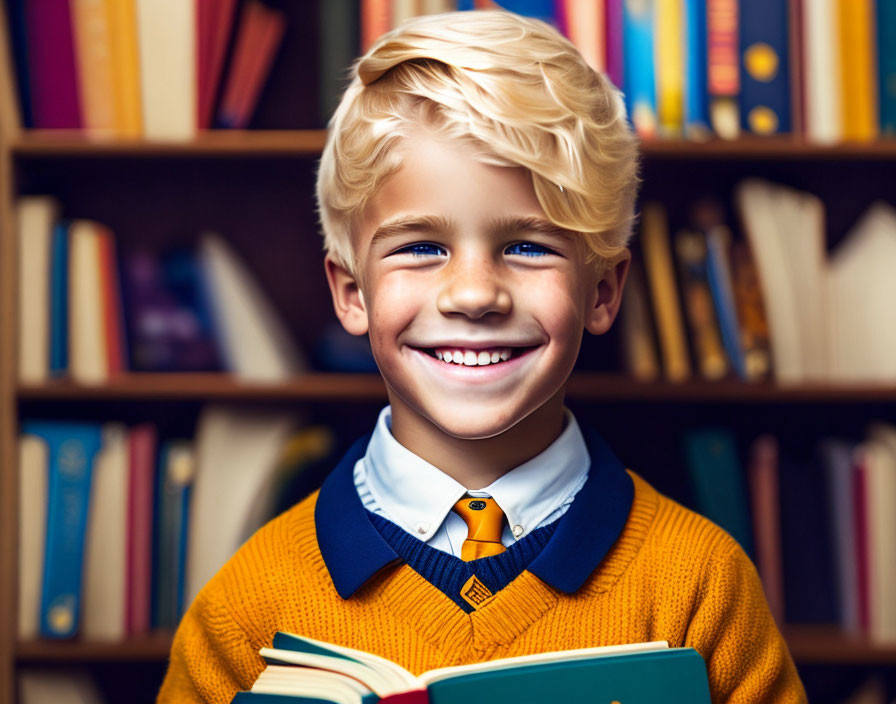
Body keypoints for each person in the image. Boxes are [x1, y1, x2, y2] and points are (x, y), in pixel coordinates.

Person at [158, 10, 806, 703]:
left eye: (527, 246)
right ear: (352, 293)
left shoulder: (702, 586)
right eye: (422, 246)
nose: (473, 294)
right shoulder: (246, 605)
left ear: (604, 290)